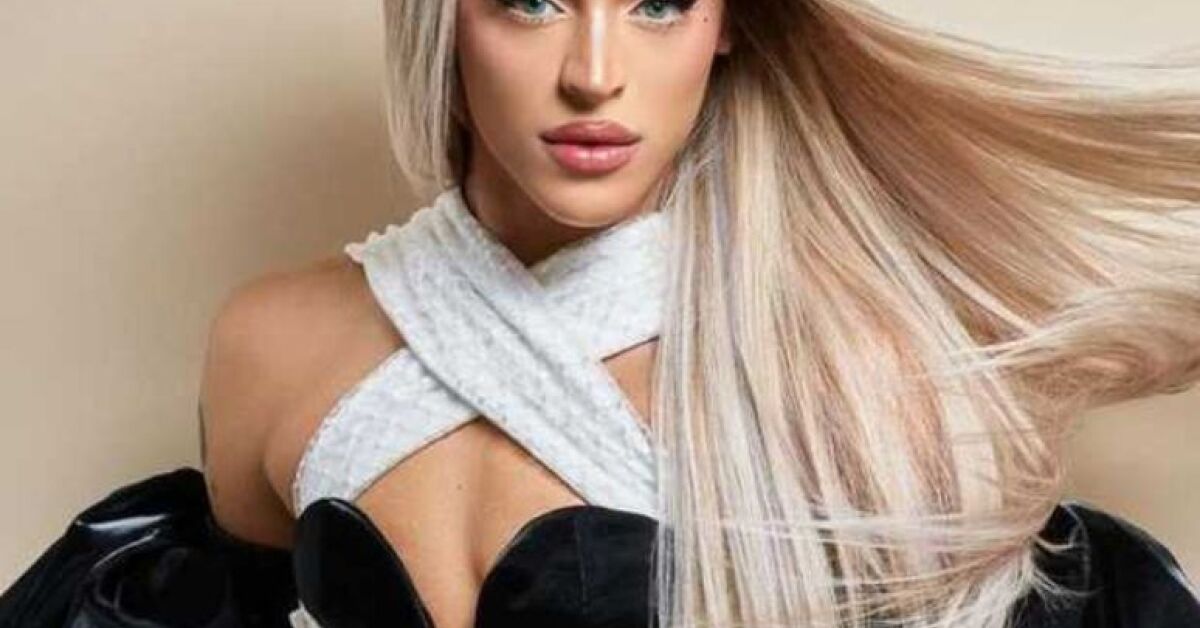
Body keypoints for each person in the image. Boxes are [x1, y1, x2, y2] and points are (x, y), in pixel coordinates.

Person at [2, 0, 1199, 626]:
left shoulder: (854, 369)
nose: (593, 71)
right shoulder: (274, 344)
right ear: (442, 16)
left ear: (729, 28)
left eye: (659, 2)